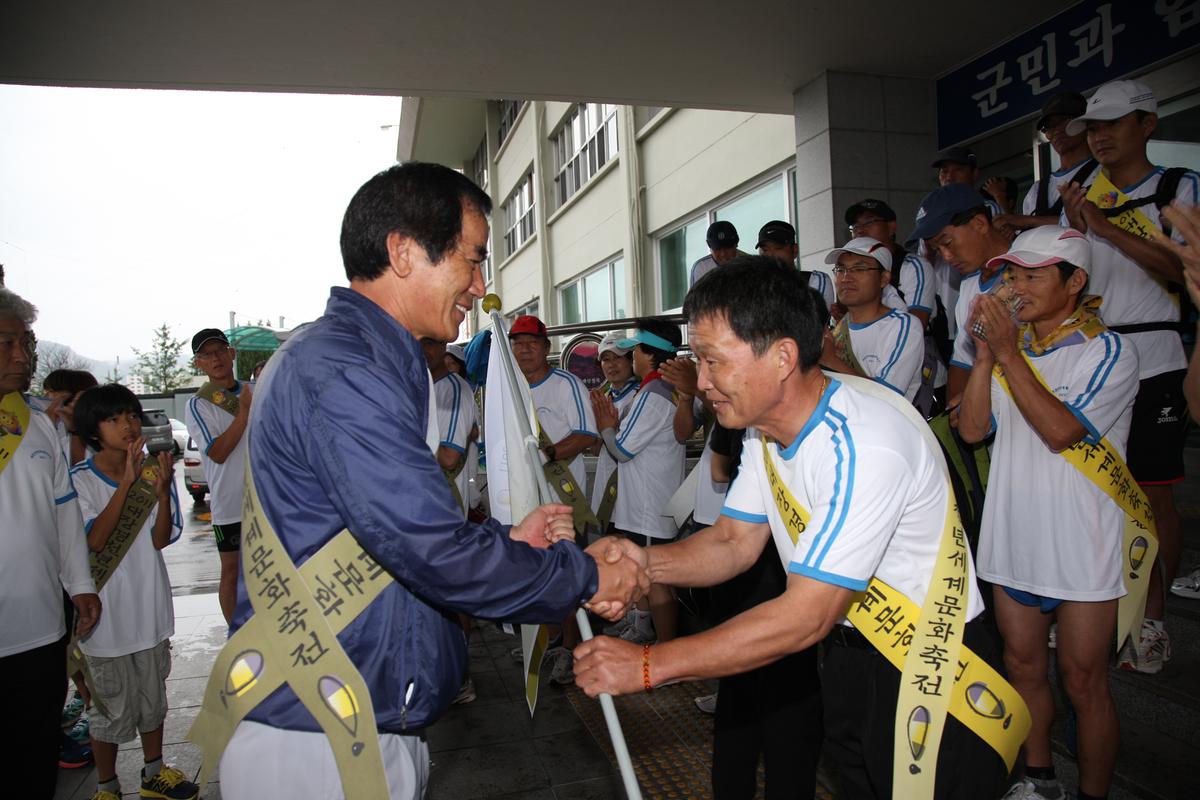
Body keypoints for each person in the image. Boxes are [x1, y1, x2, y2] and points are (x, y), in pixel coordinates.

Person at [213, 163, 647, 800]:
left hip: (351, 713)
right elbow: (428, 548)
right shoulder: (342, 369)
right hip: (319, 738)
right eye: (471, 261)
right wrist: (585, 576)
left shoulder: (365, 360)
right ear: (404, 252)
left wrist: (507, 541)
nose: (479, 285)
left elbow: (386, 531)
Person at [574, 257, 1006, 799]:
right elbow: (734, 541)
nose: (701, 381)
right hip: (852, 656)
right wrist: (642, 563)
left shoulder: (865, 444)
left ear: (782, 356)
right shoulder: (766, 430)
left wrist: (648, 664)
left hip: (931, 666)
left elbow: (803, 617)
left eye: (713, 361)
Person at [958, 227, 1137, 800]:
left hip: (1083, 542)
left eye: (1033, 275)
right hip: (1014, 536)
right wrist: (987, 355)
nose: (1016, 286)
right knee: (1024, 668)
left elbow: (1061, 431)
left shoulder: (1109, 351)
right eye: (1012, 275)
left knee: (1084, 682)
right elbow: (971, 428)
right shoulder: (1013, 351)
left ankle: (1093, 792)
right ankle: (1038, 780)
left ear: (1075, 282)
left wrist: (1009, 353)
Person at [1061, 79, 1199, 673]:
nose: (1099, 135)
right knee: (1096, 489)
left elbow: (1181, 265)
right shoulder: (1081, 190)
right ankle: (1101, 605)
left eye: (1113, 122)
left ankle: (1153, 621)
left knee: (1152, 491)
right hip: (1092, 355)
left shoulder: (1176, 187)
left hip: (1157, 356)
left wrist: (1101, 224)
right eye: (1093, 126)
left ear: (1148, 123)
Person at [70, 385, 197, 800]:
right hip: (106, 618)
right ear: (93, 430)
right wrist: (125, 485)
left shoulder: (152, 471)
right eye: (114, 419)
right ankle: (107, 786)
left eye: (130, 415)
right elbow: (96, 541)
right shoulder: (80, 481)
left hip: (149, 608)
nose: (127, 425)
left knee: (152, 700)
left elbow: (160, 540)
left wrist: (161, 496)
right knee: (107, 710)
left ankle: (154, 773)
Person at [0, 287, 100, 799]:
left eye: (25, 344)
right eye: (7, 344)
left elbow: (64, 513)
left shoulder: (38, 424)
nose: (22, 357)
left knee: (34, 753)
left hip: (39, 629)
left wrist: (80, 585)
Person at [592, 319, 686, 645]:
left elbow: (622, 451)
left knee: (657, 581)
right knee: (645, 575)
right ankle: (645, 628)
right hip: (652, 500)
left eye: (635, 351)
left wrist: (606, 426)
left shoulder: (654, 393)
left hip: (649, 506)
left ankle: (667, 648)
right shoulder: (666, 389)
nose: (631, 357)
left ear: (649, 354)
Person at [909, 182, 1015, 405]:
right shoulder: (969, 287)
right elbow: (962, 361)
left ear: (979, 223)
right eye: (938, 250)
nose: (946, 257)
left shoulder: (1035, 272)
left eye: (947, 243)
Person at [183, 328, 251, 625]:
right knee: (232, 570)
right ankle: (237, 635)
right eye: (207, 355)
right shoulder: (199, 404)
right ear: (199, 363)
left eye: (220, 351)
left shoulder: (254, 389)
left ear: (232, 353)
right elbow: (218, 452)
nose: (216, 358)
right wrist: (245, 414)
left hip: (269, 500)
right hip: (230, 503)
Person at [820, 237, 925, 404]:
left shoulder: (903, 326)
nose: (846, 277)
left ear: (884, 278)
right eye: (841, 269)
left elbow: (888, 397)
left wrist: (831, 361)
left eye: (859, 269)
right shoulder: (838, 330)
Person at [994, 93, 1096, 235]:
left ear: (1084, 121)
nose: (1056, 131)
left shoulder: (1105, 173)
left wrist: (1028, 221)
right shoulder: (1036, 190)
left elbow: (1098, 223)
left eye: (1063, 120)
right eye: (1048, 127)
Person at [845, 199, 937, 329]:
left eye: (868, 222)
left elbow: (916, 327)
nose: (860, 230)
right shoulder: (849, 273)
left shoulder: (914, 266)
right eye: (855, 226)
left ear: (891, 227)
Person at [421, 337, 478, 514]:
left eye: (429, 343)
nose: (422, 349)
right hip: (426, 498)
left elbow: (449, 458)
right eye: (416, 342)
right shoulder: (423, 386)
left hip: (445, 504)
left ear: (443, 346)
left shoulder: (453, 390)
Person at [589, 331, 638, 533]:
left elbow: (629, 449)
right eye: (605, 359)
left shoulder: (640, 395)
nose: (611, 365)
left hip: (631, 495)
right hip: (606, 493)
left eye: (617, 357)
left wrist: (611, 427)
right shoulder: (605, 397)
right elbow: (594, 449)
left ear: (631, 360)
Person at [755, 219, 835, 309]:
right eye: (765, 250)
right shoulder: (752, 287)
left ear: (795, 250)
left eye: (778, 248)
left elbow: (814, 320)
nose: (771, 255)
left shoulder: (814, 280)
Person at [43, 368, 99, 464]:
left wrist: (75, 431)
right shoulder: (49, 423)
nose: (45, 396)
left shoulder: (98, 432)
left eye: (51, 391)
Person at [690, 220, 747, 287]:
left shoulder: (749, 264)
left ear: (736, 243)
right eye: (717, 249)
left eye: (727, 247)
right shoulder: (702, 267)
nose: (723, 254)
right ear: (709, 247)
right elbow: (696, 297)